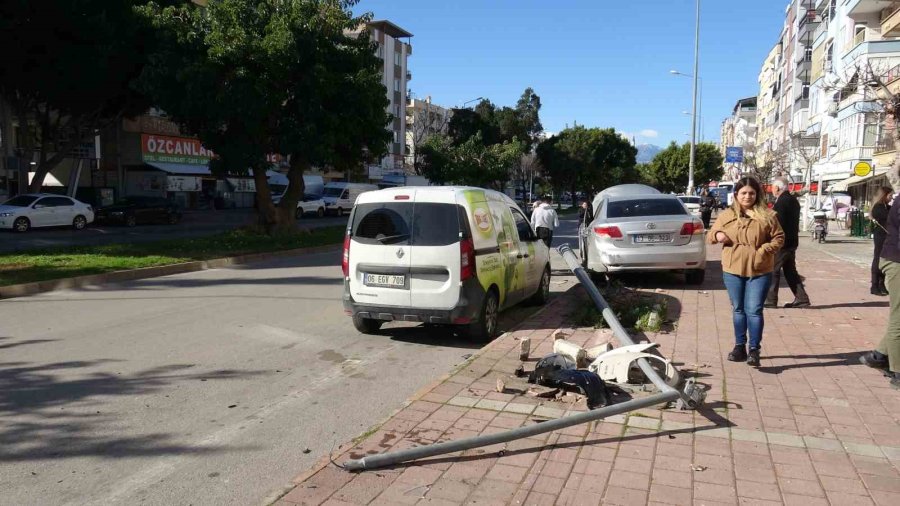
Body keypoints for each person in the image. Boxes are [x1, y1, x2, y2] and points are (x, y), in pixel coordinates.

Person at [708, 177, 785, 367]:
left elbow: (779, 238)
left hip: (759, 269)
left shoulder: (768, 216)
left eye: (751, 193)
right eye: (743, 193)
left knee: (754, 310)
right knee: (738, 308)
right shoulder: (727, 215)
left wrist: (762, 251)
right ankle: (739, 346)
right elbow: (710, 234)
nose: (747, 196)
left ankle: (754, 349)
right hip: (732, 268)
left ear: (757, 195)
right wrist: (718, 235)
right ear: (736, 195)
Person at [860, 183, 900, 390]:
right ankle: (897, 370)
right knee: (898, 318)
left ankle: (880, 356)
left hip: (892, 256)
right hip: (896, 260)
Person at [764, 178, 811, 308]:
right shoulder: (793, 200)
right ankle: (801, 298)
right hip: (792, 241)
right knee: (790, 271)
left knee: (773, 270)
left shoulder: (782, 202)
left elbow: (778, 223)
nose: (772, 190)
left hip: (783, 243)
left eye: (773, 188)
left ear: (778, 188)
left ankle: (770, 300)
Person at [871, 186, 893, 296]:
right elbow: (889, 218)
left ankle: (881, 283)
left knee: (885, 259)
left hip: (889, 236)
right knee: (878, 258)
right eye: (890, 195)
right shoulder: (878, 207)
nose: (891, 197)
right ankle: (874, 285)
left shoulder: (888, 207)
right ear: (884, 195)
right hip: (881, 235)